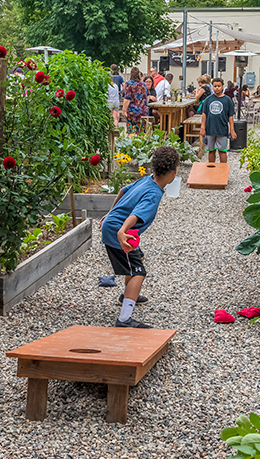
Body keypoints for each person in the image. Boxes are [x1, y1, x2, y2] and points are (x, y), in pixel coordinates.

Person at [99, 146, 180, 328]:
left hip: (115, 226)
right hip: (119, 232)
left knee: (137, 257)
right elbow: (135, 215)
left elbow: (122, 190)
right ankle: (124, 319)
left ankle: (126, 295)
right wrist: (121, 231)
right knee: (138, 271)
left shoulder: (147, 180)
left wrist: (110, 213)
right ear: (174, 171)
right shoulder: (153, 193)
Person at [201, 77, 237, 164]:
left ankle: (223, 171)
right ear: (212, 87)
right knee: (211, 150)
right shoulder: (208, 100)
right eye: (215, 86)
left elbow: (230, 116)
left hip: (222, 129)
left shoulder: (228, 100)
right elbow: (204, 114)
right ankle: (211, 170)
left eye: (219, 86)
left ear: (222, 87)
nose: (217, 88)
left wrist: (232, 130)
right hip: (210, 129)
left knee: (222, 151)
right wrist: (202, 127)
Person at [122, 67, 149, 134]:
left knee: (131, 131)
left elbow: (127, 99)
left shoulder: (129, 84)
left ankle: (132, 144)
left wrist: (124, 111)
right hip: (143, 112)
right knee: (142, 132)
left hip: (132, 112)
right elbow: (146, 97)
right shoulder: (143, 85)